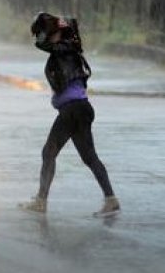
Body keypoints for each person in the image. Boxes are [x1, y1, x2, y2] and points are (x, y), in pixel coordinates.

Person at [21, 12, 120, 218]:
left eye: (50, 34)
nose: (47, 37)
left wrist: (52, 26)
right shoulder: (69, 50)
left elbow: (41, 44)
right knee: (89, 157)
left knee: (49, 152)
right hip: (80, 109)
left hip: (72, 109)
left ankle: (41, 201)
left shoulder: (64, 49)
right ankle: (111, 199)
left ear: (58, 34)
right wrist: (59, 26)